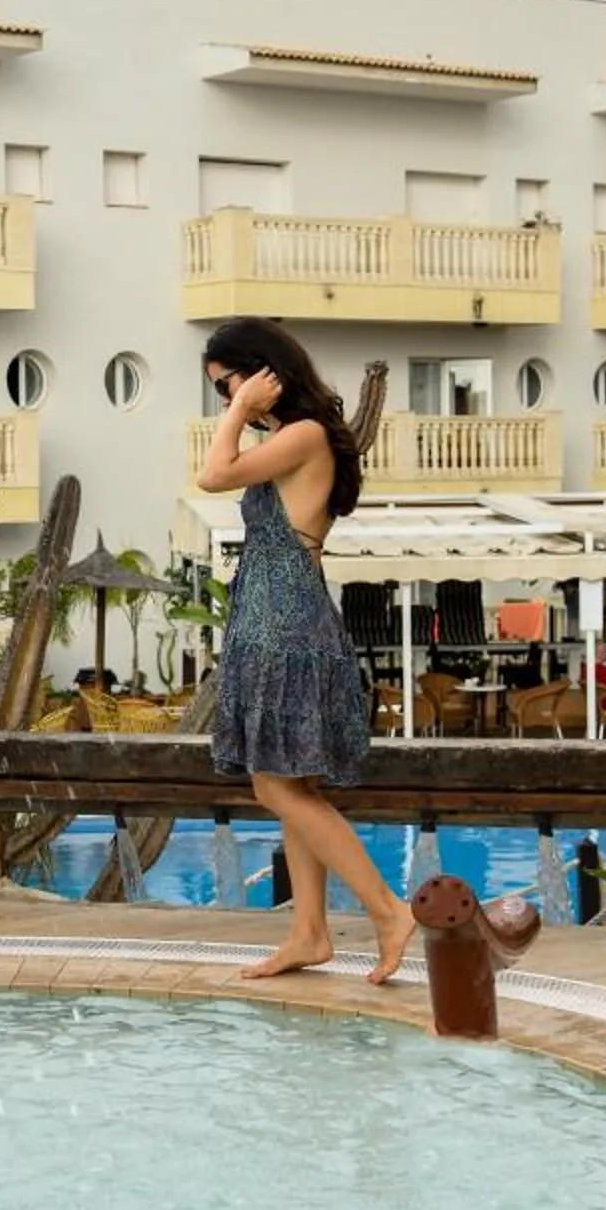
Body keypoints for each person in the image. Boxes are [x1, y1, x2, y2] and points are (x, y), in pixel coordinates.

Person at [195, 318, 417, 984]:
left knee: (275, 785)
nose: (226, 398)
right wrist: (240, 407)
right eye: (219, 393)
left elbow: (212, 476)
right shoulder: (293, 438)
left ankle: (387, 909)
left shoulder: (304, 434)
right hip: (278, 621)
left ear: (263, 372)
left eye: (228, 383)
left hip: (285, 627)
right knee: (292, 784)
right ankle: (308, 932)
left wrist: (237, 412)